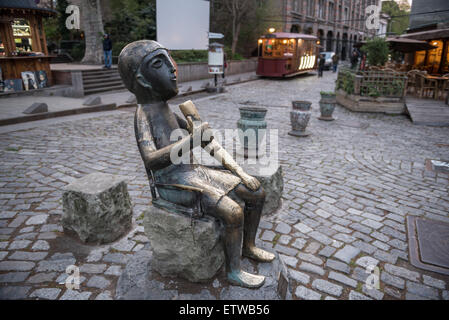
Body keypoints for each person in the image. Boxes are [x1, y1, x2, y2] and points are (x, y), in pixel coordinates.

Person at [118, 40, 275, 289]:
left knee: (257, 192)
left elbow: (208, 145)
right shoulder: (144, 115)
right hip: (171, 182)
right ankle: (234, 271)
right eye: (160, 63)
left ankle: (248, 246)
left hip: (193, 173)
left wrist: (240, 172)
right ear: (143, 79)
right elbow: (151, 159)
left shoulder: (169, 110)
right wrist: (192, 140)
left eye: (170, 60)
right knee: (233, 212)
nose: (173, 68)